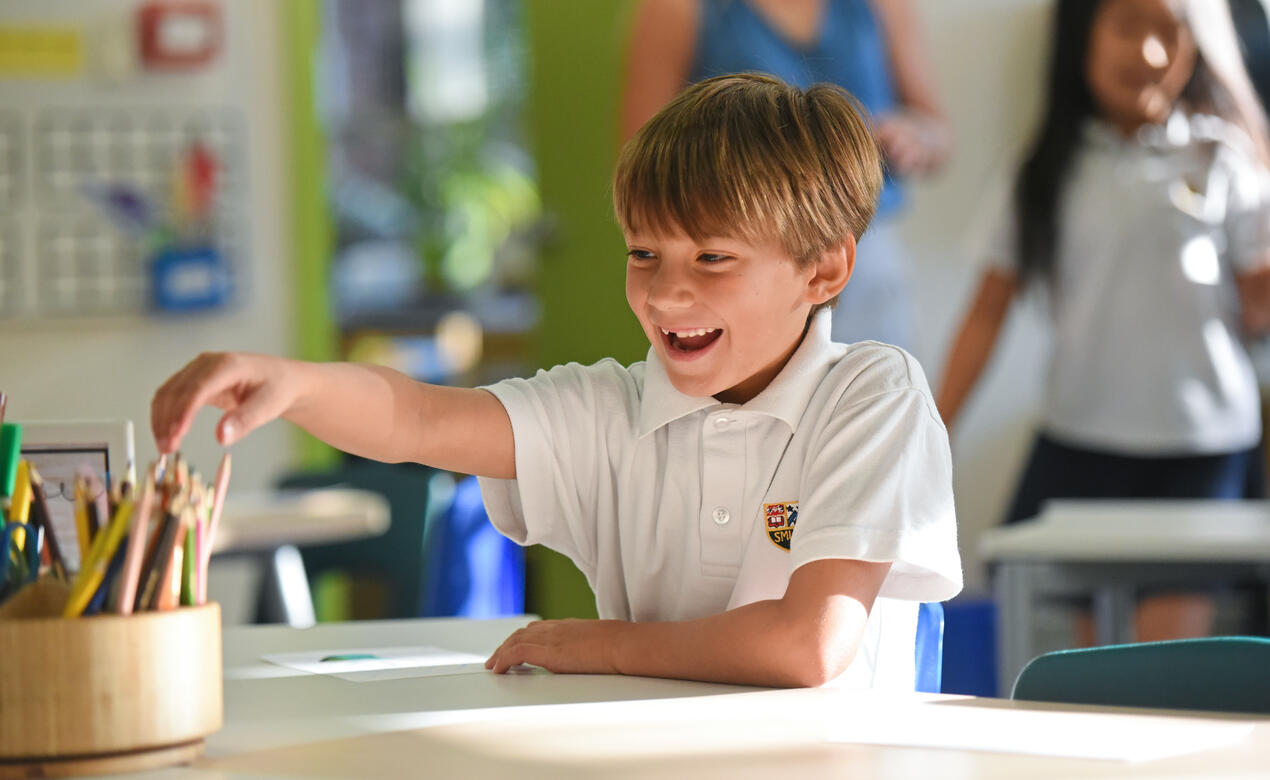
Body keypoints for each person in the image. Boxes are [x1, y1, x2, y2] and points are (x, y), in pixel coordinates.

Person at [152, 74, 962, 689]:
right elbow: (419, 420)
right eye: (643, 254)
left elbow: (807, 644)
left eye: (713, 258)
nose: (666, 292)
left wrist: (597, 646)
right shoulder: (608, 410)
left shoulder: (870, 394)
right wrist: (290, 382)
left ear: (823, 271)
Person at [937, 0, 1270, 641]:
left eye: (1169, 33)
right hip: (1082, 441)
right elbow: (987, 311)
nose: (1146, 52)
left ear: (1197, 48)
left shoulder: (1224, 161)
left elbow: (1259, 306)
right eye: (1125, 26)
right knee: (1089, 675)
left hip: (1200, 452)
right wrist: (933, 428)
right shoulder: (1041, 173)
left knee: (1159, 674)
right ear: (1081, 38)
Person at [620, 0, 952, 350]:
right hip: (735, 256)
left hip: (869, 255)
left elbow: (938, 131)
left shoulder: (884, 6)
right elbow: (643, 160)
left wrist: (915, 138)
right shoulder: (679, 8)